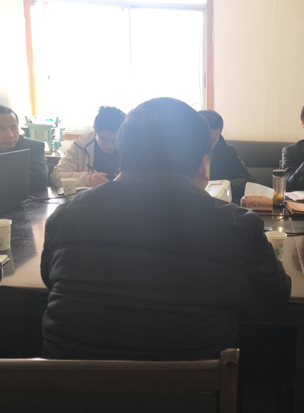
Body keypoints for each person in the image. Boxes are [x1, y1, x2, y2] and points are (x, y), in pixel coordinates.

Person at [41, 97, 291, 360]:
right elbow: (273, 298)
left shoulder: (63, 218)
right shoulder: (239, 228)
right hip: (193, 387)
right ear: (203, 165)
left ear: (123, 155)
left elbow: (50, 279)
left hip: (67, 385)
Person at [50, 106, 126, 188]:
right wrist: (88, 179)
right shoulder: (80, 145)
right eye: (104, 140)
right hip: (91, 195)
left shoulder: (131, 147)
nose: (110, 146)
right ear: (95, 131)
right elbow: (56, 177)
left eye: (116, 141)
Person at [198, 110, 255, 203]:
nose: (208, 145)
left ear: (219, 134)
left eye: (213, 140)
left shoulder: (229, 152)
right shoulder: (181, 153)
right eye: (204, 139)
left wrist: (223, 187)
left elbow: (249, 180)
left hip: (220, 204)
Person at [0, 105, 48, 191]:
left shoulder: (33, 147)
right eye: (1, 129)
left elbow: (39, 180)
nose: (10, 135)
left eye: (14, 128)